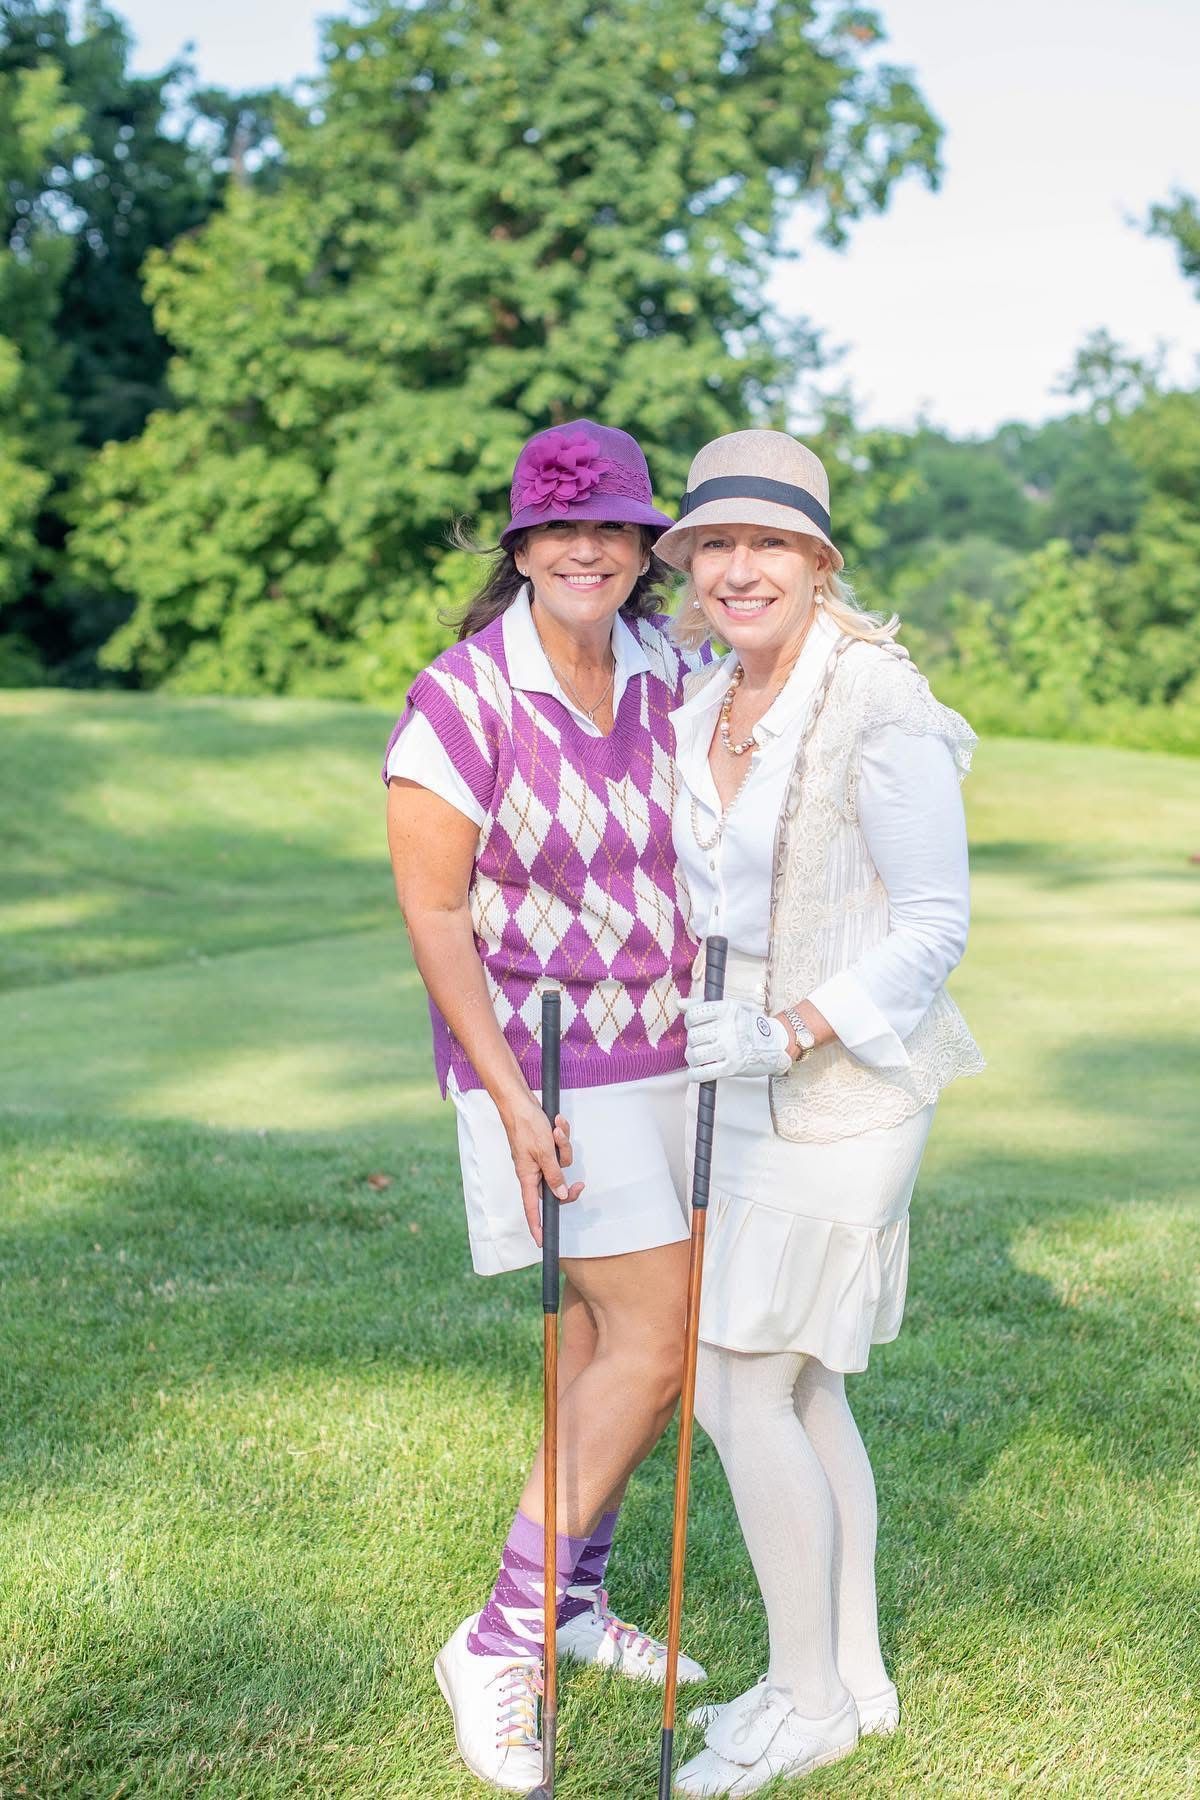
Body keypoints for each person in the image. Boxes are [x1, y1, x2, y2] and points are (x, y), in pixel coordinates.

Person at [655, 430, 983, 1796]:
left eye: (768, 544)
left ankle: (803, 1704)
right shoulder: (706, 694)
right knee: (803, 1382)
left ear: (817, 561)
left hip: (845, 1091)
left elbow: (935, 927)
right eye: (715, 546)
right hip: (726, 1082)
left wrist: (790, 1028)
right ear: (689, 567)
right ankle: (856, 1674)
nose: (740, 570)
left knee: (739, 1385)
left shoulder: (877, 701)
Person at [384, 421, 709, 1793]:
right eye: (559, 528)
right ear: (522, 545)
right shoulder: (460, 698)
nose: (587, 550)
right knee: (666, 1335)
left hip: (674, 1050)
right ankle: (502, 1636)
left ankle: (573, 1600)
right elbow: (435, 907)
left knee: (601, 1345)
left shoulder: (673, 673)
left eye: (615, 529)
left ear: (641, 550)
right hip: (544, 1066)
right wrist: (513, 1104)